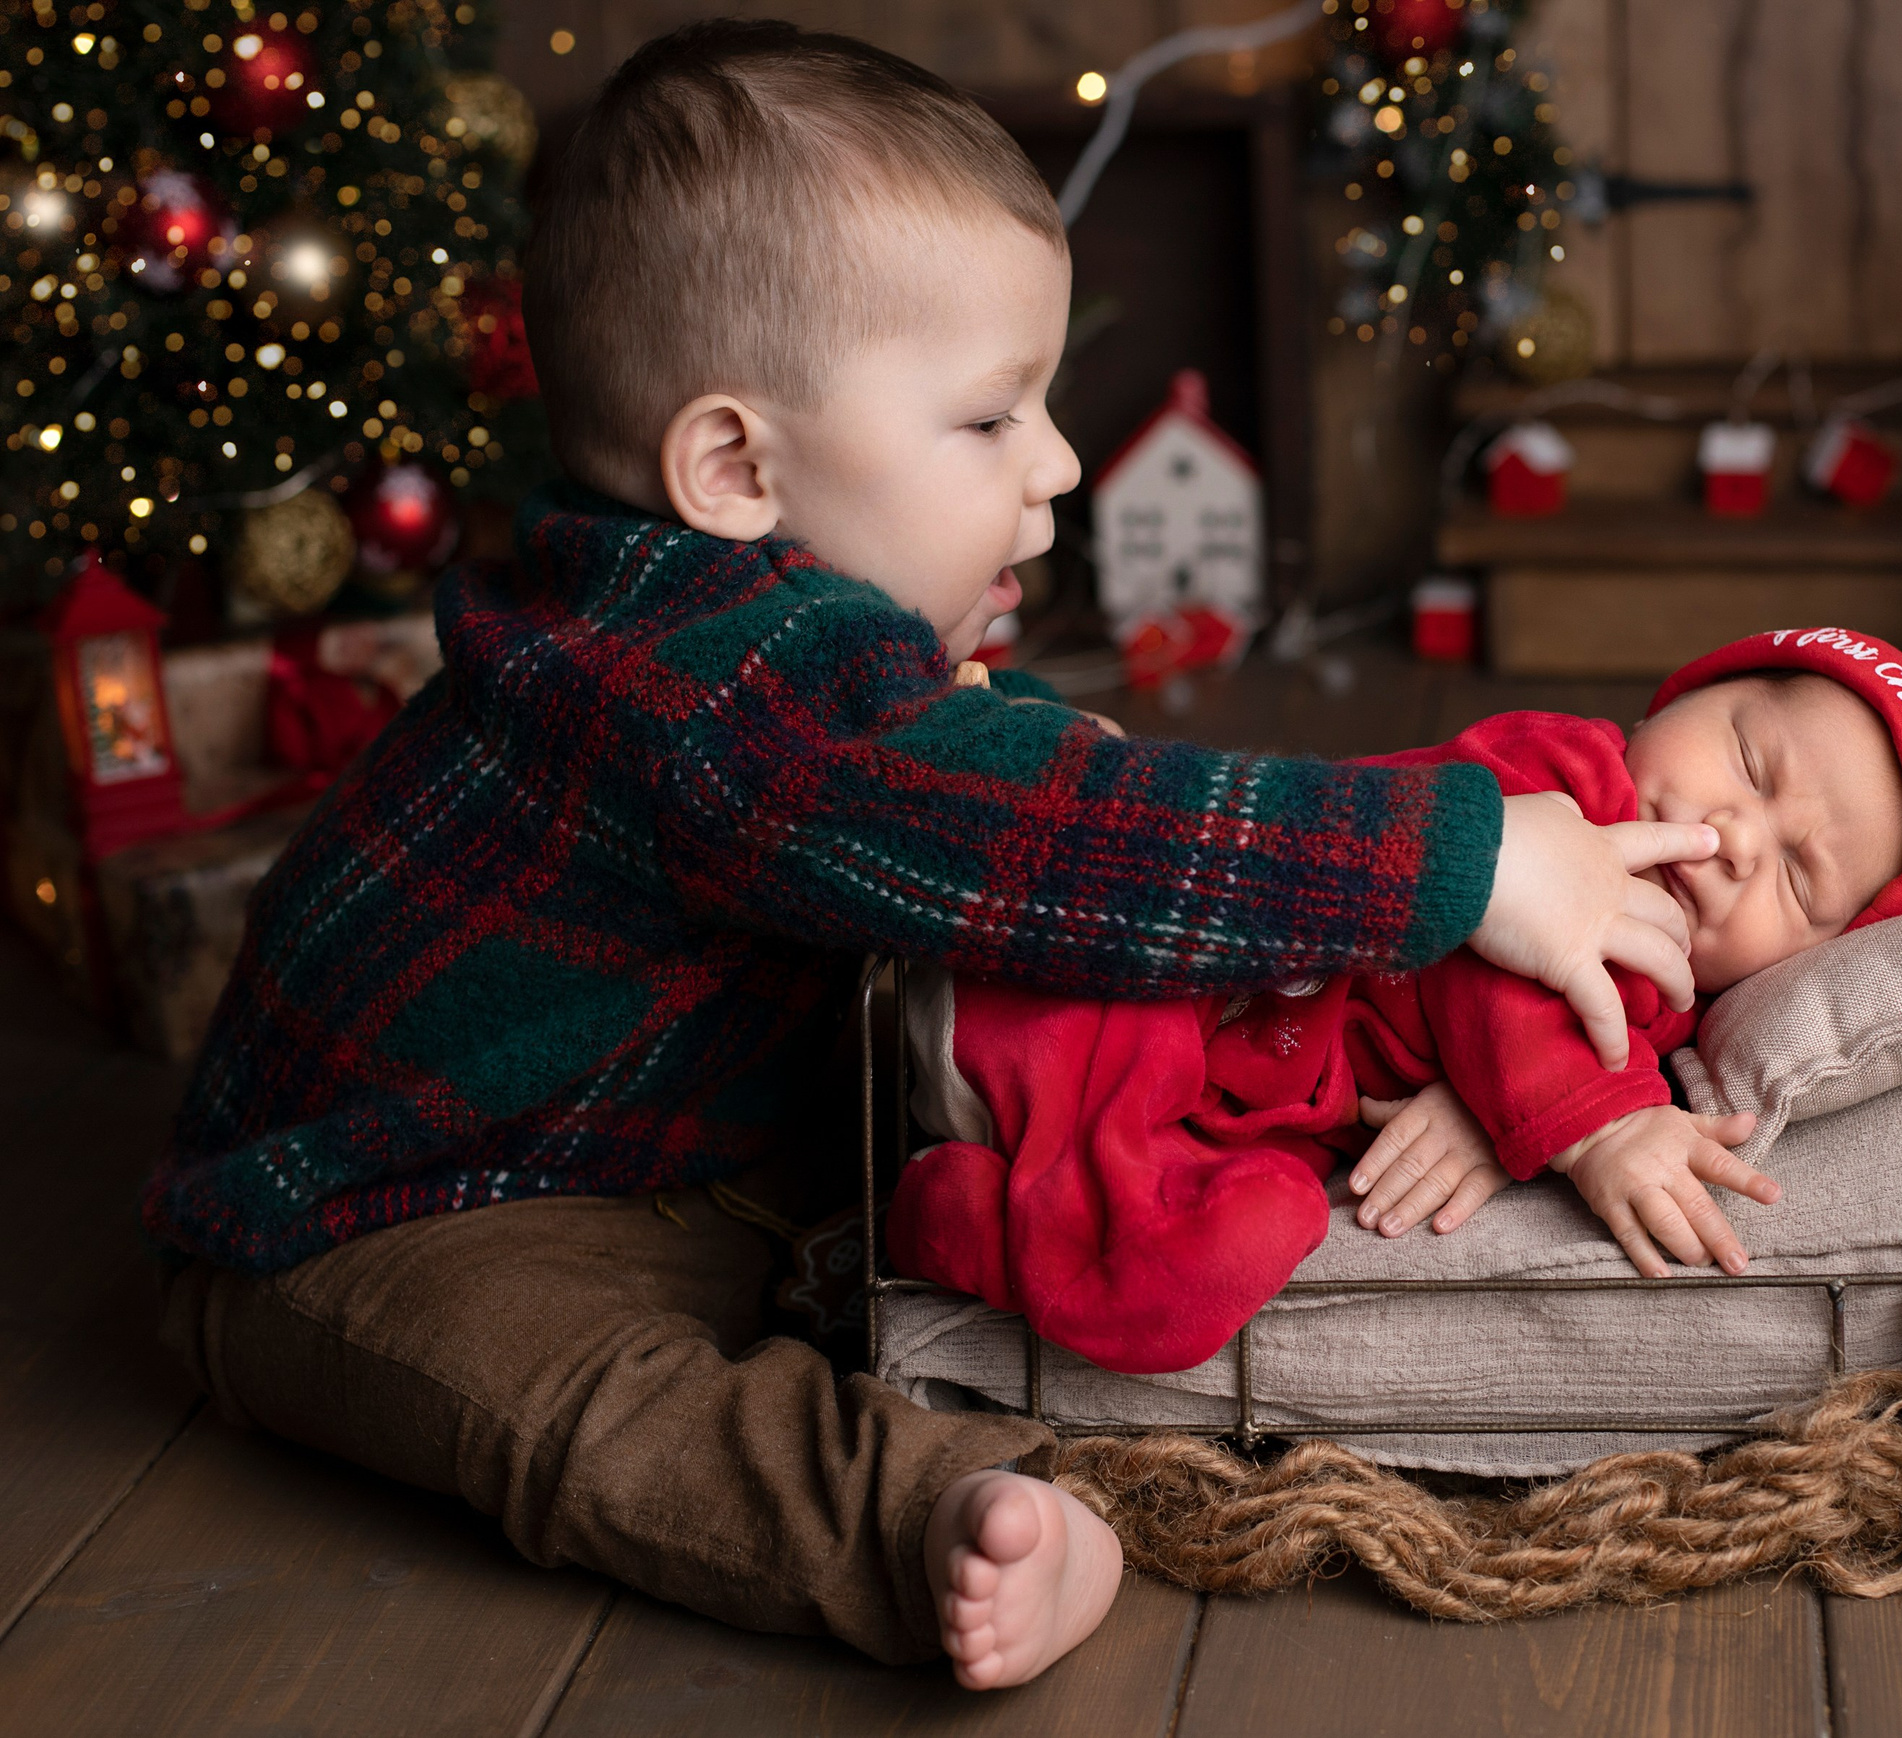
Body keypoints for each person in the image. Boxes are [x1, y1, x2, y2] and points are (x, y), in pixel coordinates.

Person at [141, 22, 1726, 1692]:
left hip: (673, 1130)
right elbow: (1056, 835)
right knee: (587, 1412)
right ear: (737, 469)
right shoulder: (713, 693)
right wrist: (1459, 857)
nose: (1055, 466)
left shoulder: (764, 636)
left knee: (982, 1075)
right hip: (393, 1212)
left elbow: (996, 792)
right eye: (989, 421)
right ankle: (932, 1519)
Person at [887, 627, 1902, 1375]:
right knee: (1130, 1133)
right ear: (1685, 694)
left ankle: (972, 1217)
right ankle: (1002, 1101)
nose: (1728, 835)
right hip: (1145, 971)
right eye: (1749, 762)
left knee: (1242, 1237)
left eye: (1794, 876)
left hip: (1222, 1102)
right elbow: (1486, 952)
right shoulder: (1559, 775)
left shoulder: (1666, 1001)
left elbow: (1567, 1038)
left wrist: (1498, 1116)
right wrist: (1593, 1125)